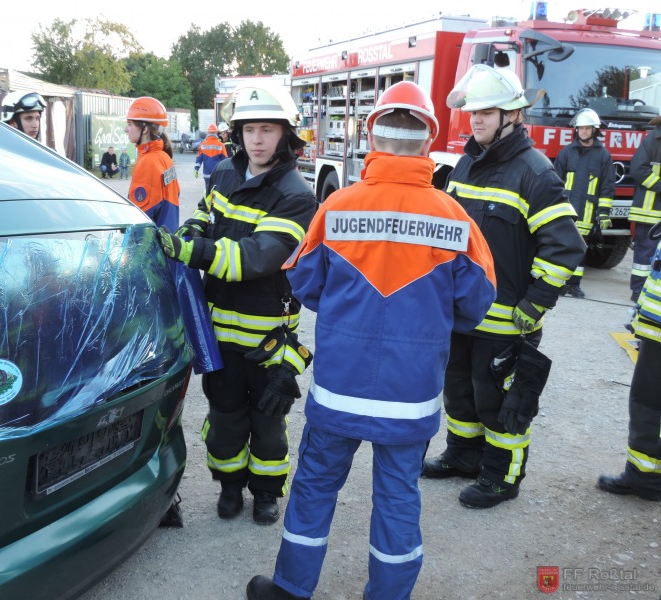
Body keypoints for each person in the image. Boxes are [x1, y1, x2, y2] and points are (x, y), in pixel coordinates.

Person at [245, 82, 497, 600]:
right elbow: (477, 303)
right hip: (411, 395)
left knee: (316, 486)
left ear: (371, 137)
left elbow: (305, 284)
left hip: (340, 388)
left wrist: (352, 307)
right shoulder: (454, 218)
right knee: (398, 498)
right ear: (429, 140)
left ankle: (291, 588)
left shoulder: (337, 207)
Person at [422, 64, 586, 509]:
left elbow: (565, 246)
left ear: (511, 115)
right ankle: (463, 456)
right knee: (460, 391)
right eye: (473, 112)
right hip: (462, 314)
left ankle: (501, 477)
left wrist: (535, 305)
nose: (475, 120)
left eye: (486, 112)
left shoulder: (535, 172)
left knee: (499, 400)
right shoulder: (466, 164)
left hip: (507, 320)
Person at [156, 84, 316, 525]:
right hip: (219, 335)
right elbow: (206, 212)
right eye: (249, 130)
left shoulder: (297, 195)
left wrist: (192, 251)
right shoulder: (226, 172)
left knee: (268, 425)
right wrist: (192, 229)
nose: (257, 139)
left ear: (285, 135)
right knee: (225, 420)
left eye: (267, 129)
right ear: (238, 133)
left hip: (267, 341)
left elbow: (256, 257)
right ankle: (229, 487)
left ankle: (265, 493)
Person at [597, 232, 661, 501]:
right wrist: (640, 312)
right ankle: (643, 475)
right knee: (646, 403)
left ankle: (647, 478)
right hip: (655, 327)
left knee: (649, 403)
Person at [553, 108, 615, 299]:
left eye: (587, 128)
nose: (583, 132)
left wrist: (603, 212)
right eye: (581, 128)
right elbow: (555, 182)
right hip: (566, 212)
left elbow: (607, 186)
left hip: (587, 214)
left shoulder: (603, 156)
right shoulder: (566, 153)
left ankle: (574, 285)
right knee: (562, 248)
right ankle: (559, 283)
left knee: (581, 249)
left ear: (594, 130)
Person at [125, 97, 180, 230]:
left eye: (130, 124)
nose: (126, 129)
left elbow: (140, 219)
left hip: (152, 242)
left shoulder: (148, 162)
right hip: (167, 237)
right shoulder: (164, 157)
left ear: (145, 129)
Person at [628, 114, 661, 302]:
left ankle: (654, 291)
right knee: (644, 254)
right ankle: (638, 291)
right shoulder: (652, 141)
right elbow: (638, 169)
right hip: (648, 212)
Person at [194, 123, 228, 192]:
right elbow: (225, 160)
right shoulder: (221, 145)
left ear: (208, 132)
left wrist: (196, 169)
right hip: (217, 174)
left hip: (206, 174)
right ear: (216, 132)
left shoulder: (203, 144)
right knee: (217, 192)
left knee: (208, 191)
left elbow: (199, 159)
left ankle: (207, 198)